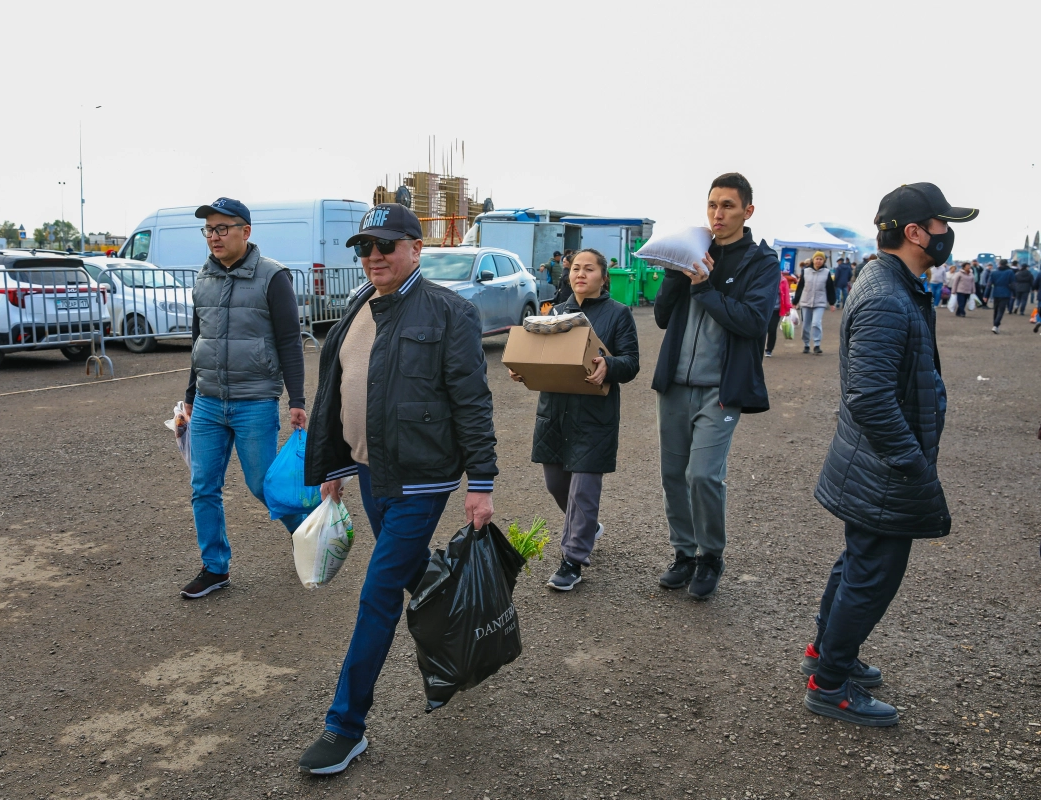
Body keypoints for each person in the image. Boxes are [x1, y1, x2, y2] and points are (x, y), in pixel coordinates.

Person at [298, 203, 497, 775]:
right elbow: (339, 390)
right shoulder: (360, 304)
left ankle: (345, 726)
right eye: (365, 247)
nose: (374, 256)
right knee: (412, 573)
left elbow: (472, 400)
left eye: (386, 245)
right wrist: (335, 464)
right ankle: (465, 640)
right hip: (369, 471)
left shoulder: (448, 312)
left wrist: (480, 483)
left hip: (421, 479)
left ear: (415, 247)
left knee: (379, 592)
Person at [806, 182, 976, 727]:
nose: (948, 234)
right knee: (872, 574)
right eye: (943, 224)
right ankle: (830, 684)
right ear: (915, 232)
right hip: (884, 466)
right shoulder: (885, 295)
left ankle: (826, 651)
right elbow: (871, 396)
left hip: (873, 462)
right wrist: (912, 463)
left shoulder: (892, 283)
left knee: (859, 562)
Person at [651, 173, 779, 599]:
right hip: (675, 385)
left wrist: (704, 288)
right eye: (712, 205)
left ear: (748, 210)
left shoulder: (759, 262)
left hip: (719, 389)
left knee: (702, 475)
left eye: (727, 205)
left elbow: (752, 321)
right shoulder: (695, 252)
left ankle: (710, 556)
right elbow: (663, 317)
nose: (718, 214)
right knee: (673, 475)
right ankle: (684, 554)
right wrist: (676, 272)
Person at [179, 197, 309, 599]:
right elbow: (200, 340)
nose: (214, 237)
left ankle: (307, 533)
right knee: (203, 486)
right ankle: (215, 569)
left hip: (255, 401)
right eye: (208, 230)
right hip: (208, 401)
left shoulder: (273, 277)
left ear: (245, 232)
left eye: (222, 229)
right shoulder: (203, 278)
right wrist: (188, 396)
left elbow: (290, 341)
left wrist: (297, 400)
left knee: (262, 485)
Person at [510, 248, 639, 591]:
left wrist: (608, 365)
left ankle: (572, 560)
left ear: (602, 276)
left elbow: (632, 363)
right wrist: (525, 369)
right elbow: (540, 354)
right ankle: (588, 526)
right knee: (555, 483)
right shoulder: (556, 313)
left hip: (594, 416)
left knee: (583, 489)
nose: (580, 274)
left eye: (589, 269)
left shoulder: (618, 314)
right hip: (554, 412)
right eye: (576, 268)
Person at [793, 252, 836, 355]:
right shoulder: (806, 271)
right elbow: (800, 287)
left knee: (816, 323)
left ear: (824, 261)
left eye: (821, 259)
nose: (818, 261)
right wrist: (795, 301)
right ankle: (806, 344)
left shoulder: (826, 272)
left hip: (820, 302)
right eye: (817, 259)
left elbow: (830, 288)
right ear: (813, 260)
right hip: (806, 301)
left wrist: (832, 303)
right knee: (805, 325)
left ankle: (817, 344)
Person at [764, 269, 792, 357]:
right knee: (762, 329)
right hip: (764, 308)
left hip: (776, 309)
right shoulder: (764, 278)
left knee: (772, 329)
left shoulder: (783, 280)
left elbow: (786, 295)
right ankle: (759, 347)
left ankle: (769, 349)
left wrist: (788, 308)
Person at [988, 258, 1015, 333]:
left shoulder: (994, 272)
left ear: (999, 264)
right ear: (1006, 264)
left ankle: (995, 325)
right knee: (1001, 310)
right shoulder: (1010, 272)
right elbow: (1013, 284)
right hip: (1006, 293)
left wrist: (986, 295)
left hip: (996, 292)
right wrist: (1014, 293)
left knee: (996, 310)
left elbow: (989, 284)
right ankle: (996, 325)